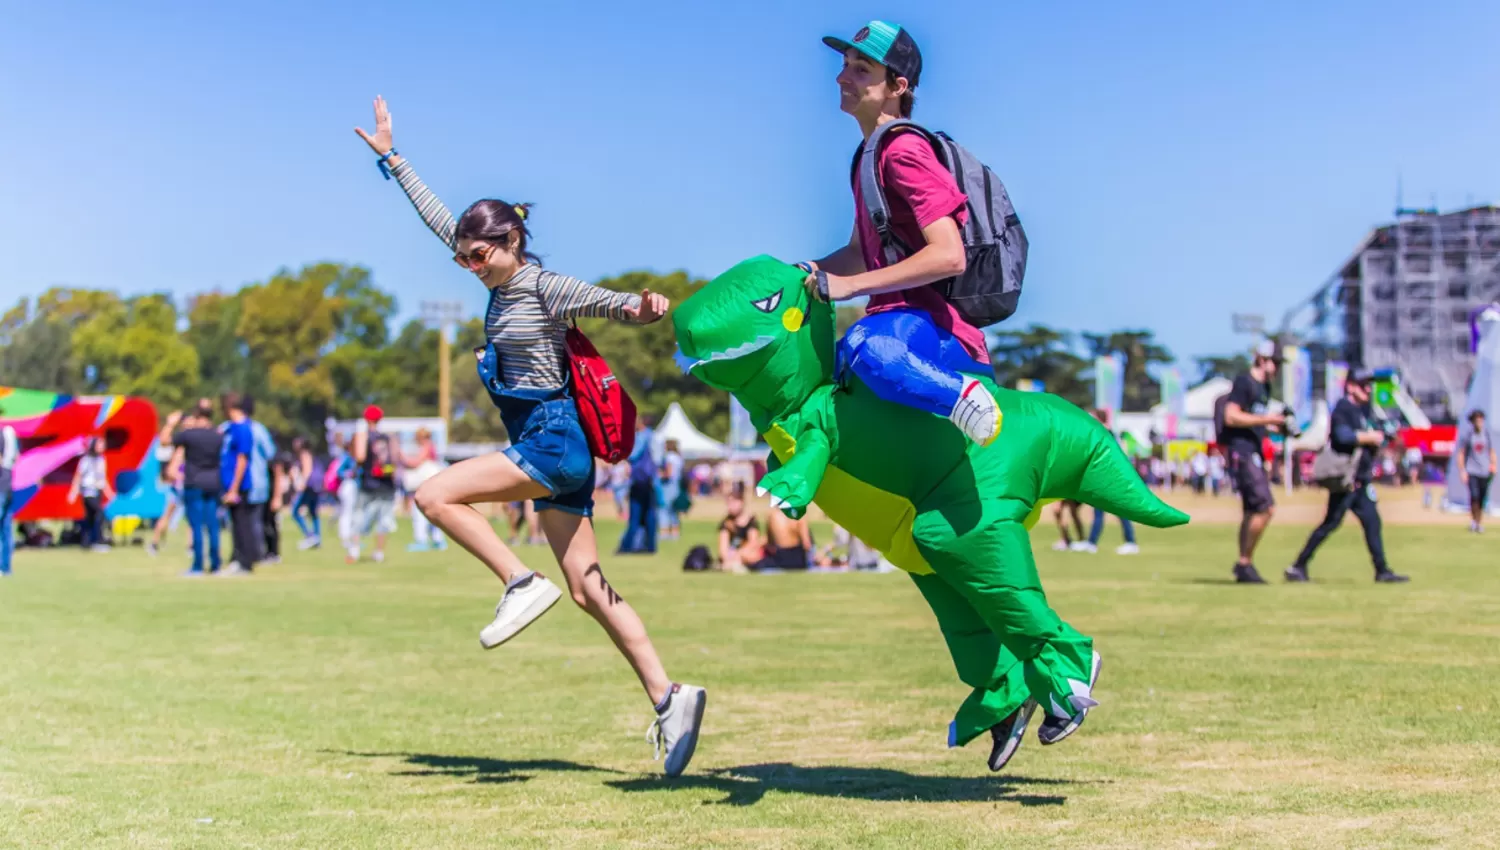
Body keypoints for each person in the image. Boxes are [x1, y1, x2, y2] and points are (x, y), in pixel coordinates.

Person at [356, 96, 705, 776]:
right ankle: (670, 697)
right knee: (585, 587)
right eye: (461, 259)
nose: (469, 266)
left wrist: (647, 305)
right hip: (559, 450)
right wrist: (393, 158)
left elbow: (613, 303)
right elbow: (437, 217)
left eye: (478, 255)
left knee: (432, 496)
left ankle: (518, 579)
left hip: (552, 440)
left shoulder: (543, 286)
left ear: (511, 242)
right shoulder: (489, 270)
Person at [797, 21, 1001, 447]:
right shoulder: (869, 156)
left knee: (863, 349)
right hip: (894, 329)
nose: (841, 77)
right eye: (845, 64)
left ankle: (968, 400)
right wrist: (797, 273)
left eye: (861, 69)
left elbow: (949, 255)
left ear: (898, 85)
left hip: (930, 339)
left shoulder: (903, 150)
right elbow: (859, 252)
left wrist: (849, 287)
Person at [1285, 370, 1409, 583]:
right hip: (1347, 480)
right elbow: (1342, 437)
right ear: (1350, 386)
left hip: (1360, 480)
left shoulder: (1363, 411)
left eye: (1369, 385)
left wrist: (1383, 435)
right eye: (1363, 385)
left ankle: (1382, 570)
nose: (1368, 389)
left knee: (1372, 523)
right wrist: (1369, 437)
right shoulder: (1344, 409)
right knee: (1330, 523)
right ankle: (1298, 565)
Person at [1220, 340, 1290, 584]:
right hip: (1243, 452)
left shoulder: (1264, 387)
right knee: (1265, 507)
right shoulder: (1245, 382)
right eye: (1276, 362)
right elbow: (1231, 415)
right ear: (1262, 359)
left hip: (1255, 451)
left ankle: (1244, 564)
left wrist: (1276, 425)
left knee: (1252, 510)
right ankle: (1244, 562)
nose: (1279, 368)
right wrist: (1266, 418)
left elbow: (1255, 421)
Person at [172, 404, 224, 576]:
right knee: (213, 525)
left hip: (194, 482)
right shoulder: (218, 436)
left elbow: (165, 440)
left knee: (196, 526)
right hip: (213, 482)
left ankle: (198, 565)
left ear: (196, 414)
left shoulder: (189, 435)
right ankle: (216, 564)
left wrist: (171, 423)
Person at [350, 405, 397, 564]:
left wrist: (354, 469)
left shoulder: (363, 435)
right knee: (383, 518)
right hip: (387, 483)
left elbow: (360, 457)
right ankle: (379, 552)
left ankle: (355, 549)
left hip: (368, 482)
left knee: (358, 515)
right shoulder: (387, 437)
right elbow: (395, 460)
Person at [219, 393, 260, 575]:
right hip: (229, 484)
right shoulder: (232, 428)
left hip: (239, 486)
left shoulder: (243, 428)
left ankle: (244, 561)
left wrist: (234, 487)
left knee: (242, 523)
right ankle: (237, 557)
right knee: (234, 523)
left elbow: (242, 459)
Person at [617, 417, 659, 555]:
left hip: (639, 481)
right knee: (649, 515)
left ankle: (627, 546)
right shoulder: (654, 436)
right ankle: (650, 546)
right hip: (650, 481)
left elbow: (633, 455)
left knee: (635, 516)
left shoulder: (642, 437)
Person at [403, 427, 447, 552]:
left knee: (419, 511)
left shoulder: (427, 446)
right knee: (433, 510)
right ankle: (437, 539)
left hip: (427, 483)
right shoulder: (431, 446)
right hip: (432, 482)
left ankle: (421, 540)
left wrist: (402, 457)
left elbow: (416, 462)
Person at [66, 436, 114, 552]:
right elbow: (78, 476)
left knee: (91, 518)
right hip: (88, 491)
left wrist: (109, 493)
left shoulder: (101, 460)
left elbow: (103, 478)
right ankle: (98, 540)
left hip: (97, 491)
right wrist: (73, 492)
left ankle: (87, 541)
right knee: (99, 514)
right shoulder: (86, 460)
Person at [1458, 409, 1496, 533]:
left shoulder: (1486, 434)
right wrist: (1462, 470)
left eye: (1480, 419)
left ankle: (1479, 522)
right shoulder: (1468, 435)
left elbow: (1491, 451)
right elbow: (1462, 454)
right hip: (1472, 470)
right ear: (1473, 422)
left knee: (1482, 498)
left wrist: (1493, 464)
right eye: (1476, 420)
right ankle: (1474, 521)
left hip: (1484, 471)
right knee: (1474, 496)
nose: (1479, 422)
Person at [717, 485, 765, 573]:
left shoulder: (751, 521)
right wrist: (730, 557)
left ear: (742, 502)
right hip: (731, 555)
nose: (731, 506)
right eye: (729, 503)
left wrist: (740, 554)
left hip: (746, 554)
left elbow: (753, 543)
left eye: (734, 502)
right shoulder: (726, 524)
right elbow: (723, 549)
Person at [289, 437, 323, 550]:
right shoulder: (309, 454)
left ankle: (310, 535)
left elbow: (307, 470)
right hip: (316, 486)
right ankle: (317, 538)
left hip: (309, 486)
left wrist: (302, 484)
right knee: (313, 512)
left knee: (295, 511)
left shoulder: (305, 454)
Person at [330, 432, 360, 552]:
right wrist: (349, 474)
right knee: (347, 512)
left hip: (355, 487)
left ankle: (352, 537)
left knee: (354, 513)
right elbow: (339, 471)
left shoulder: (357, 457)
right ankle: (345, 536)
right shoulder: (347, 457)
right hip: (348, 486)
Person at [658, 439, 685, 542]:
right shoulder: (679, 457)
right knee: (674, 511)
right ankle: (675, 533)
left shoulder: (669, 457)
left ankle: (664, 533)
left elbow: (668, 473)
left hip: (668, 486)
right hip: (676, 485)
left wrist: (659, 475)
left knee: (664, 509)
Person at [0, 422, 17, 576]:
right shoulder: (10, 434)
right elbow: (16, 457)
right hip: (8, 483)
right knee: (6, 529)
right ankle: (6, 568)